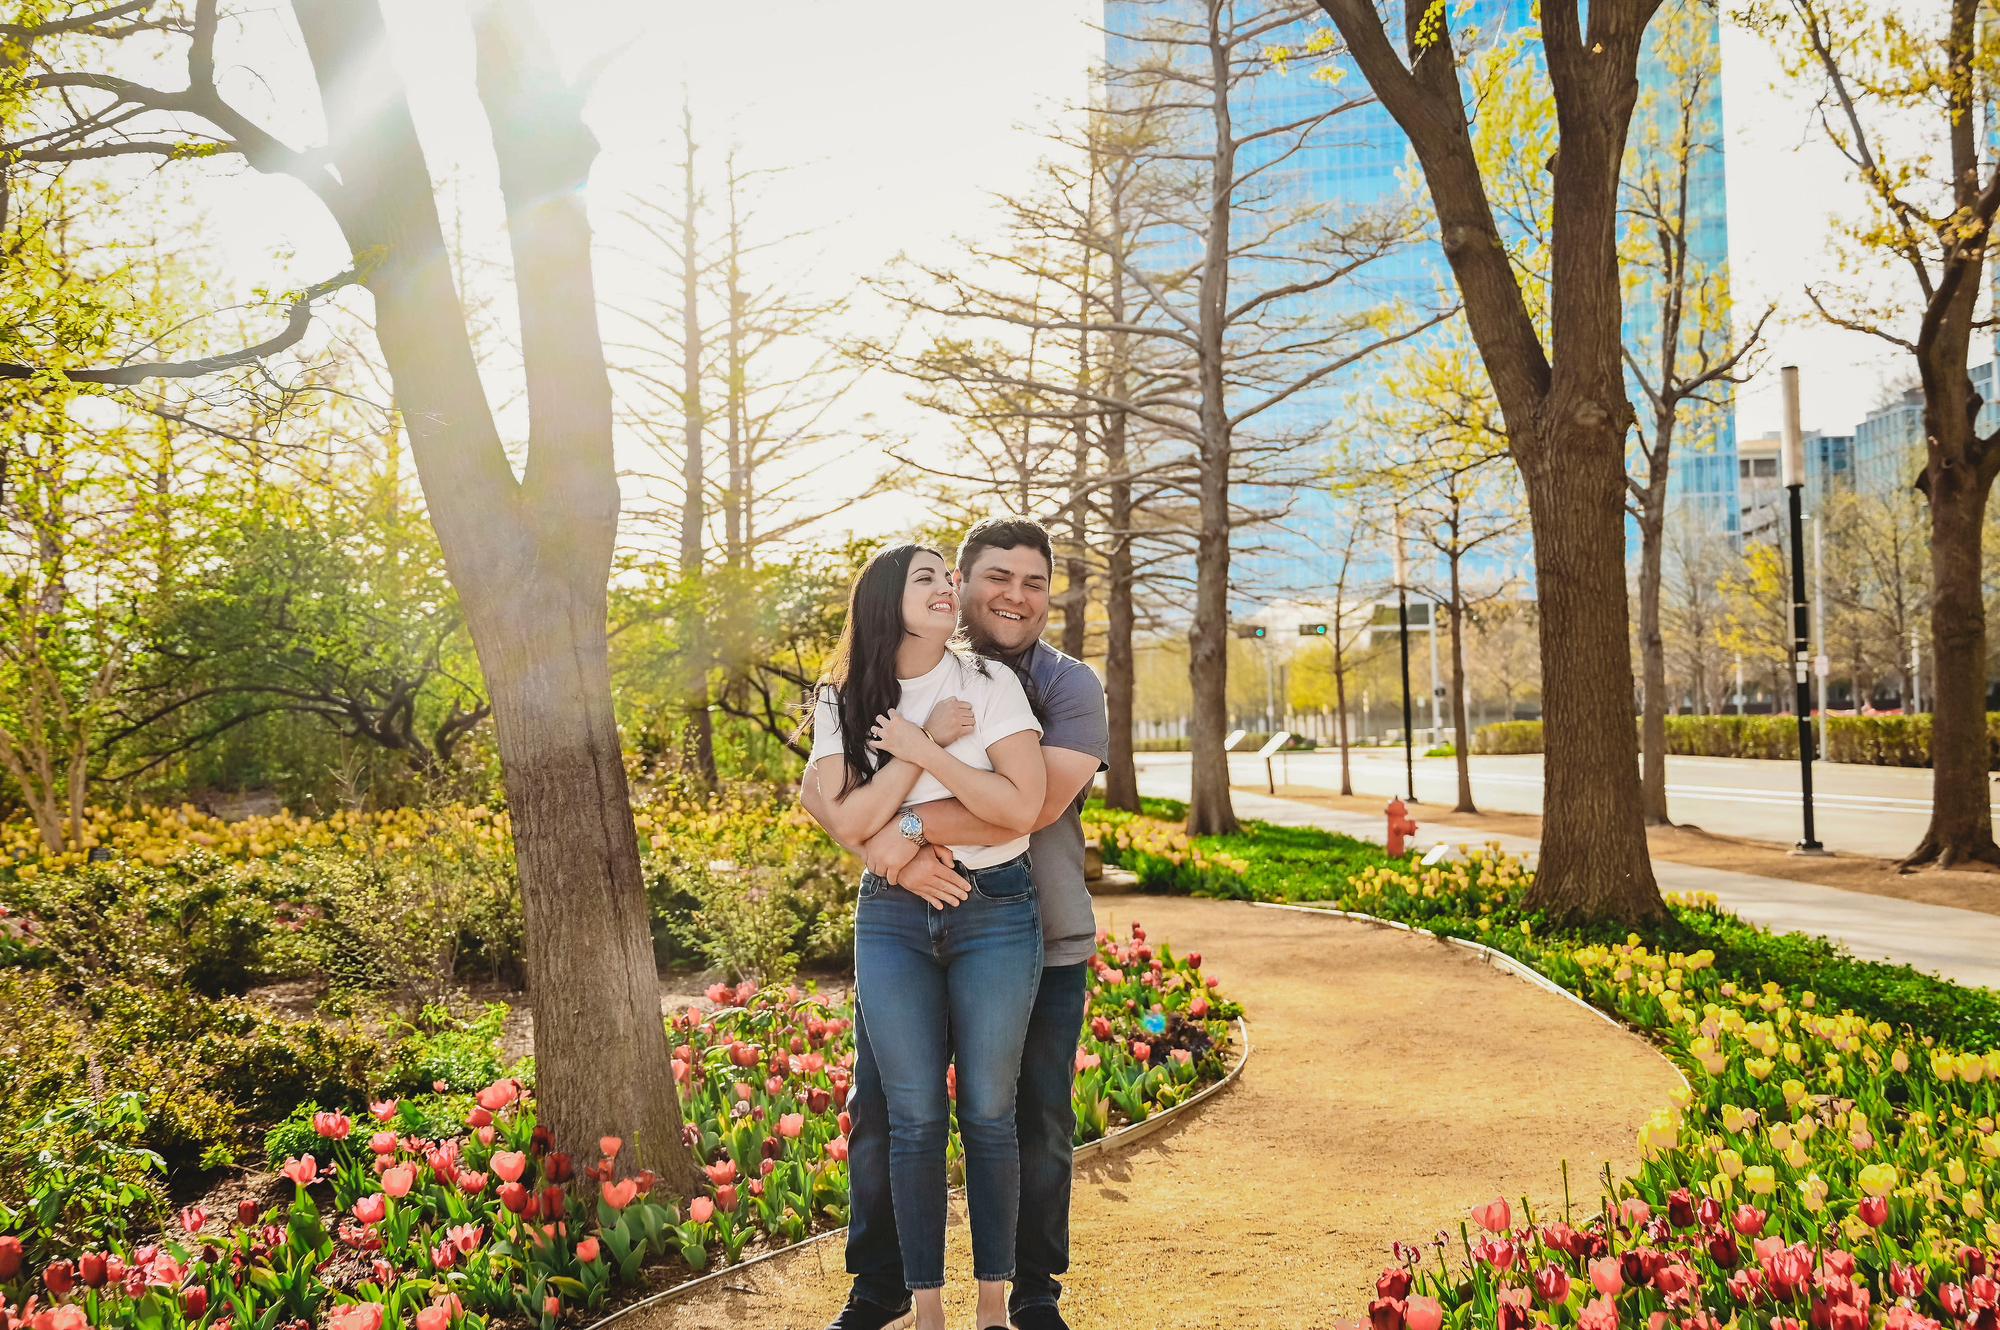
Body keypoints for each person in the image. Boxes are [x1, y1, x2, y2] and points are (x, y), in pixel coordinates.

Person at [807, 518, 1109, 1330]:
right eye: (996, 578)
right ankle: (883, 1286)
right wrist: (894, 860)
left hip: (1036, 926)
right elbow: (825, 802)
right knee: (887, 1114)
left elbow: (1029, 810)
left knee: (1030, 1118)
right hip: (905, 916)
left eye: (1035, 583)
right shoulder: (885, 675)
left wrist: (902, 832)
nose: (1016, 596)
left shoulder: (1063, 685)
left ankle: (1030, 1293)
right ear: (965, 585)